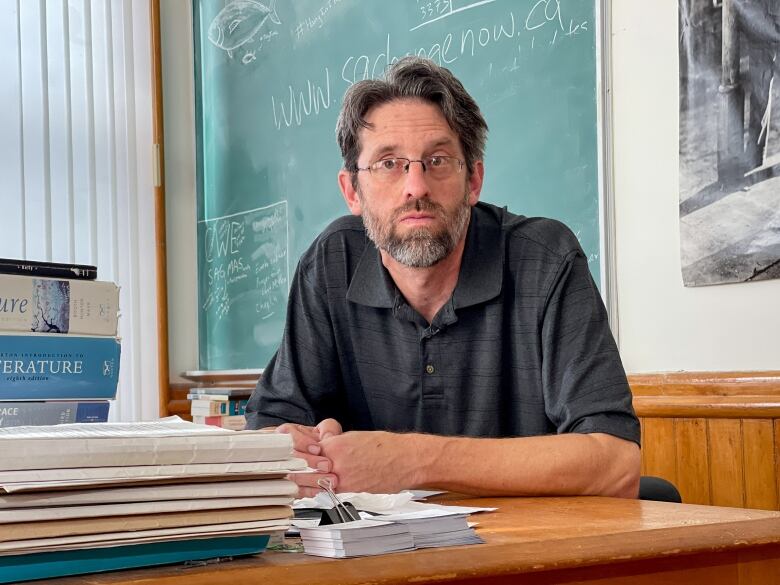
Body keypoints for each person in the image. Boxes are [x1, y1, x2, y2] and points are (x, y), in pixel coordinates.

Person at [245, 56, 640, 498]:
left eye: (437, 160)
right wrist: (289, 446)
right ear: (352, 191)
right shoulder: (331, 263)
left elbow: (616, 462)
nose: (416, 187)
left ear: (474, 180)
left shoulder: (545, 260)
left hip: (522, 556)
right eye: (389, 163)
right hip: (369, 558)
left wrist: (411, 462)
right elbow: (271, 424)